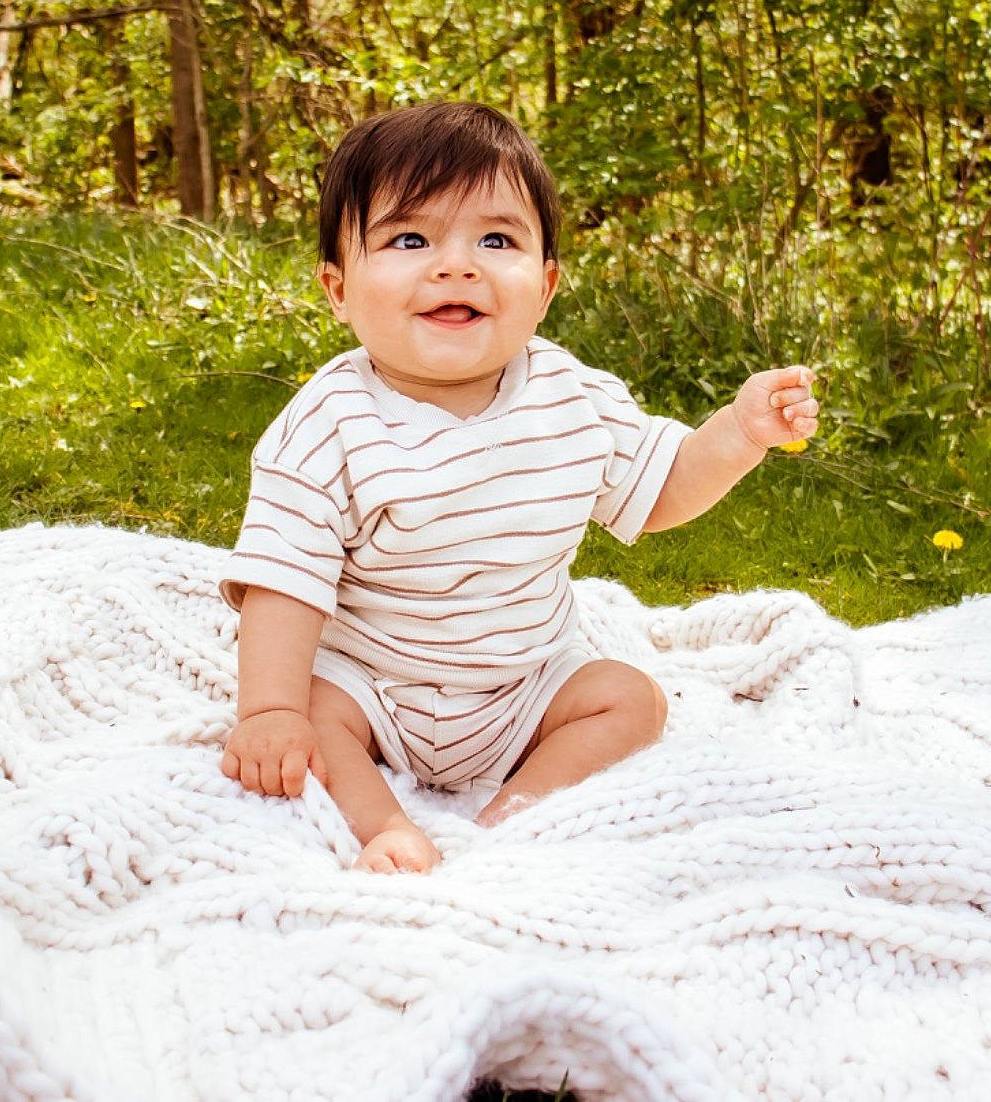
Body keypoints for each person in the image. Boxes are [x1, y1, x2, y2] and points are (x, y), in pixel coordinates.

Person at [217, 101, 818, 873]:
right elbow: (283, 584)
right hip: (374, 684)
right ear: (338, 288)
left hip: (523, 684)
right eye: (410, 238)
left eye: (496, 240)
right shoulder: (330, 422)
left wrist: (737, 435)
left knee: (630, 698)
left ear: (546, 284)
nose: (456, 265)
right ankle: (388, 828)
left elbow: (661, 487)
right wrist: (267, 709)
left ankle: (515, 811)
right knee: (312, 715)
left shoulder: (569, 396)